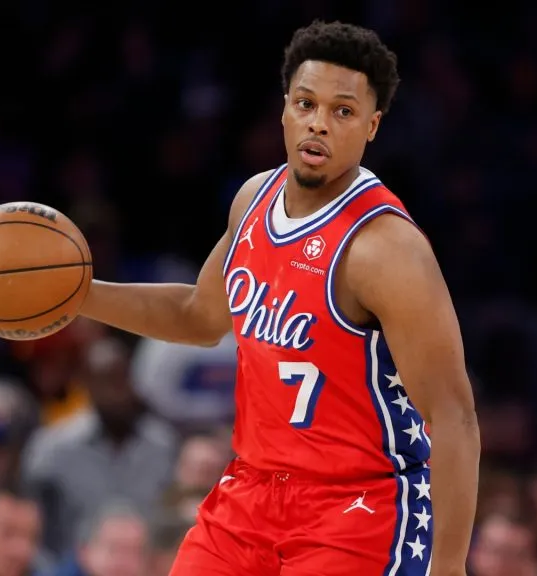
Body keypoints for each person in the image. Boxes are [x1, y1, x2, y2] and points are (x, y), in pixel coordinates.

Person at [79, 20, 480, 575]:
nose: (319, 123)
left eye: (343, 111)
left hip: (356, 502)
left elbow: (454, 414)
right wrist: (79, 294)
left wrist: (450, 564)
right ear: (285, 109)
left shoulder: (386, 250)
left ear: (372, 126)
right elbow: (199, 315)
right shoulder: (253, 199)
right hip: (251, 488)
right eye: (306, 103)